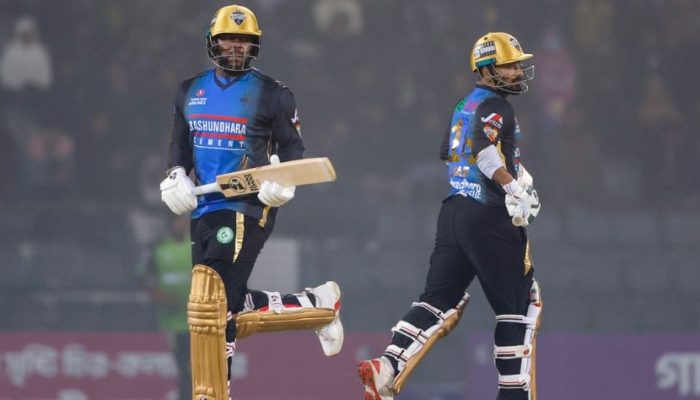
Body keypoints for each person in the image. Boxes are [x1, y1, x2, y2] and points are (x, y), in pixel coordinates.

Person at [159, 5, 343, 399]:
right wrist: (175, 174)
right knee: (221, 303)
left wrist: (284, 184)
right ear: (213, 42)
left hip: (247, 205)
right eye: (229, 38)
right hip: (204, 208)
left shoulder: (274, 94)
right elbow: (180, 146)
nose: (236, 46)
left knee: (214, 304)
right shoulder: (189, 90)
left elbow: (293, 151)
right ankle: (316, 305)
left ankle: (216, 392)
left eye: (244, 41)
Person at [358, 32, 543, 400]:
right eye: (509, 65)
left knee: (437, 299)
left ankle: (387, 364)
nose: (517, 71)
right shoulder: (498, 106)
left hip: (454, 213)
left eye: (517, 65)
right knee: (521, 306)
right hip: (489, 217)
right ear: (487, 70)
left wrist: (517, 173)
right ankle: (512, 395)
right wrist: (514, 188)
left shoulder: (464, 104)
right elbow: (484, 155)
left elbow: (449, 151)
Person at [141, 215, 192, 400]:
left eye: (182, 220)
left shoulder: (197, 246)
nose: (180, 224)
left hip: (199, 320)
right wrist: (160, 296)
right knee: (182, 367)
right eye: (176, 220)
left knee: (197, 366)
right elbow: (143, 278)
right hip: (172, 322)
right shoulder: (159, 248)